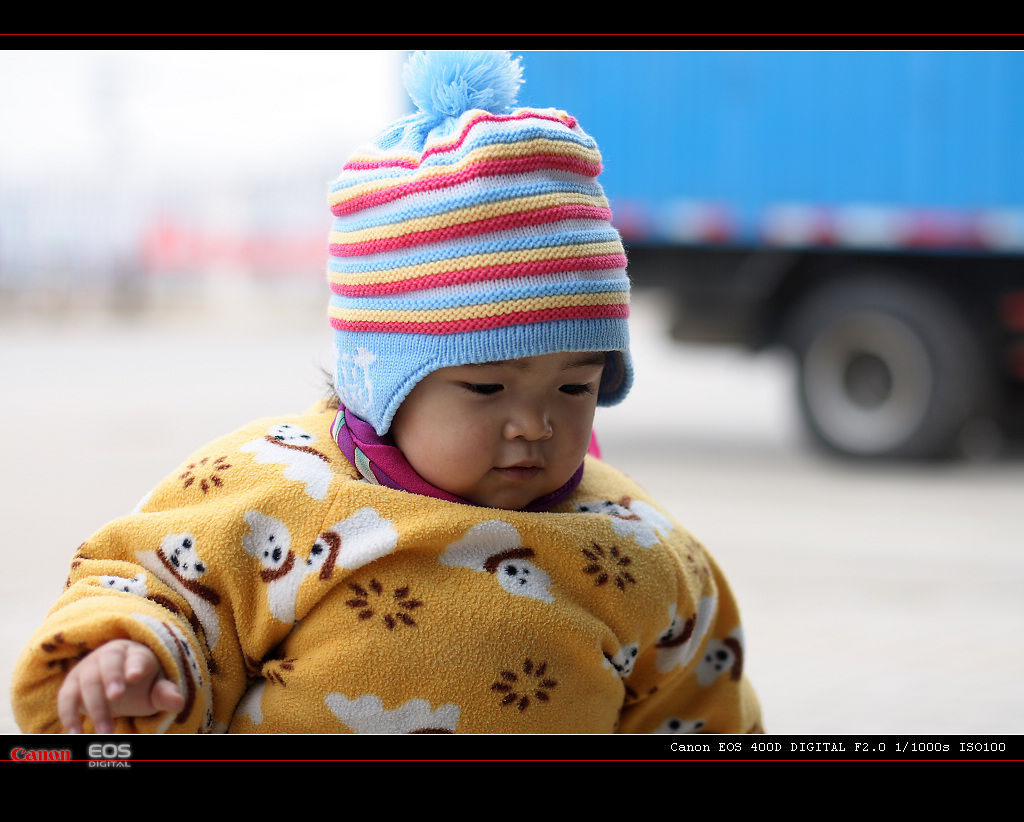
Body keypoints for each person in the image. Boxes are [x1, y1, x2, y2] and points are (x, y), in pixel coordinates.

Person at [11, 51, 762, 734]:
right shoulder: (273, 490)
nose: (534, 424)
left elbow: (703, 708)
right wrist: (131, 654)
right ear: (381, 382)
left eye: (575, 386)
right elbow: (157, 584)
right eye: (486, 385)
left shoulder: (635, 549)